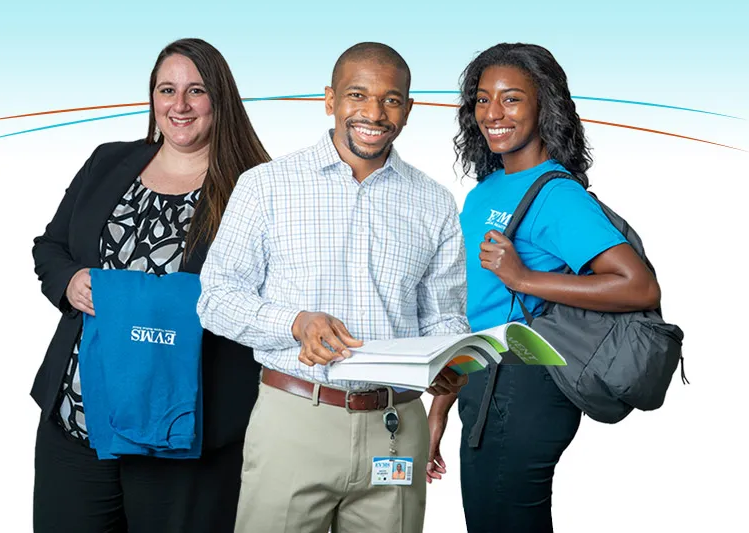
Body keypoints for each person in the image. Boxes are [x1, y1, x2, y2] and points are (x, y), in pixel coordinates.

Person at [197, 42, 470, 533]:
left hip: (396, 426)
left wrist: (450, 358)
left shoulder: (434, 202)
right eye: (357, 95)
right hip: (295, 418)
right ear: (330, 99)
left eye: (390, 100)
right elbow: (215, 299)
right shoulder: (267, 186)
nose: (373, 113)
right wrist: (295, 322)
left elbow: (444, 315)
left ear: (408, 109)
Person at [31, 38, 270, 533]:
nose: (179, 105)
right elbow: (49, 247)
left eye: (196, 91)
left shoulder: (256, 187)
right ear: (153, 98)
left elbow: (277, 298)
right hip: (80, 422)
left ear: (219, 99)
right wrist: (70, 281)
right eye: (167, 90)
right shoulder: (108, 162)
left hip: (185, 434)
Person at [425, 43, 662, 533]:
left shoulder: (556, 194)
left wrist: (524, 277)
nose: (493, 113)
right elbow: (480, 308)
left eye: (511, 99)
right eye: (482, 99)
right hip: (483, 378)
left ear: (543, 105)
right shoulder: (486, 190)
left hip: (525, 382)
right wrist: (443, 405)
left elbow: (638, 286)